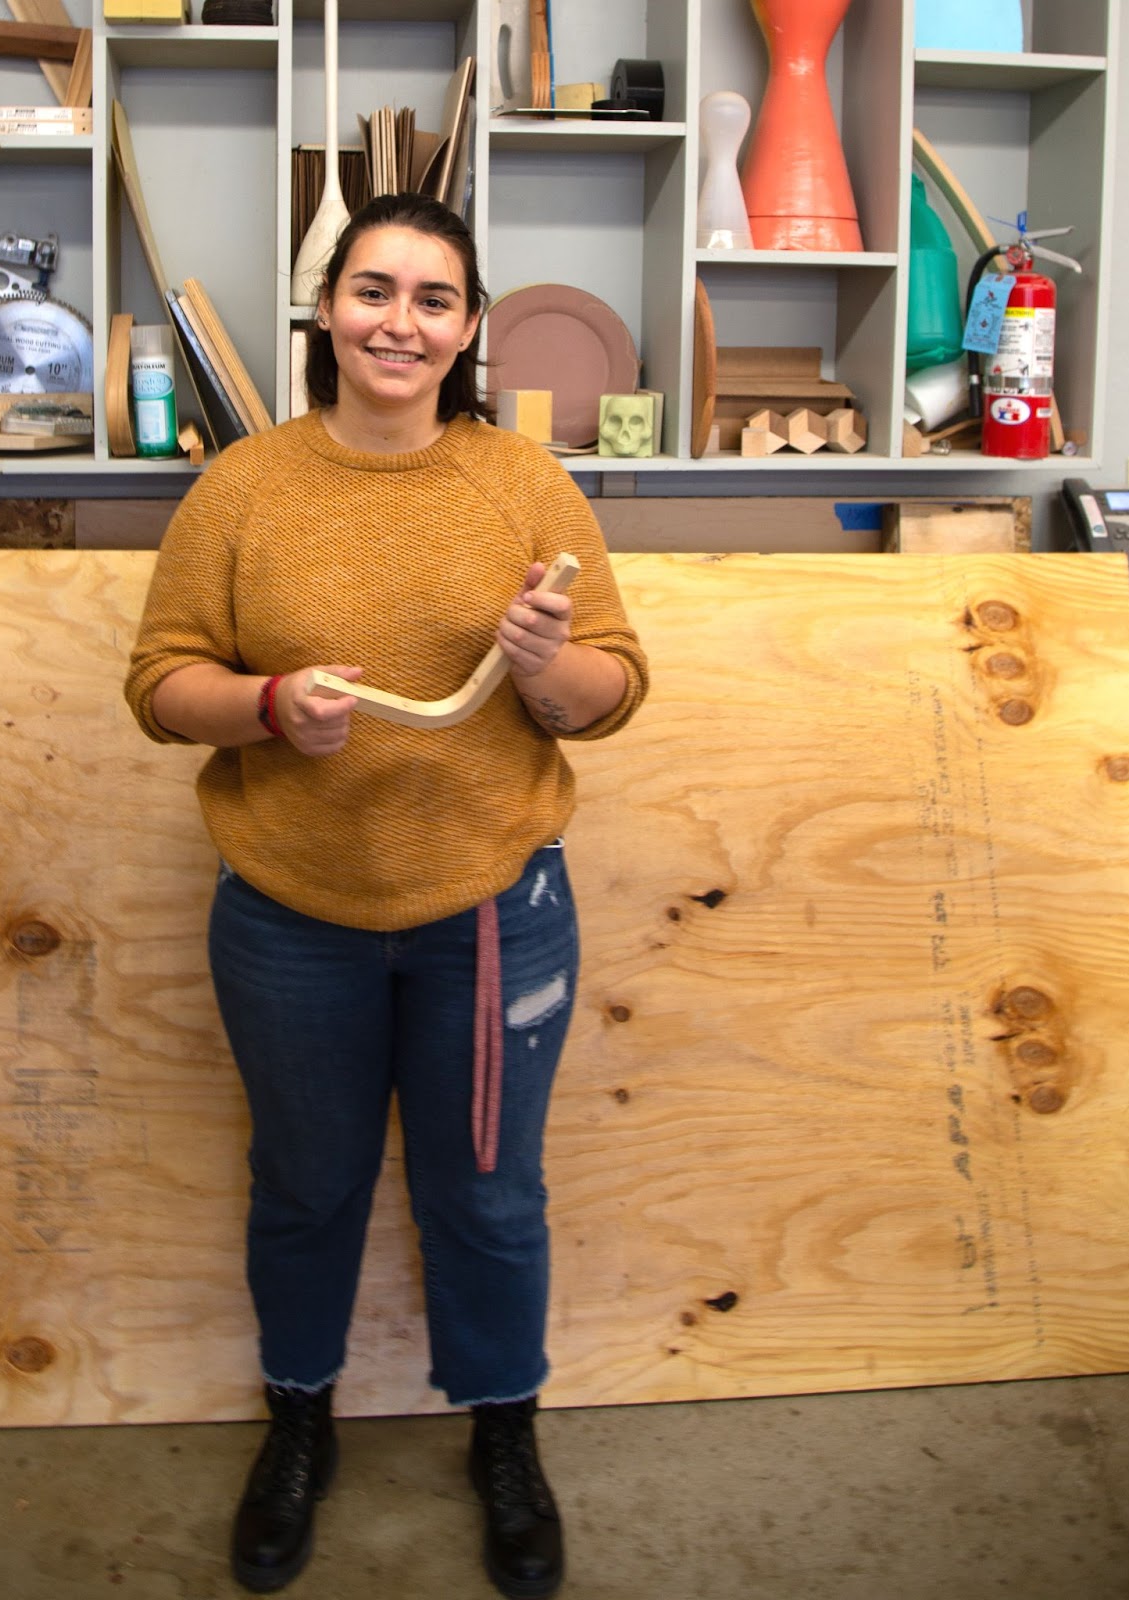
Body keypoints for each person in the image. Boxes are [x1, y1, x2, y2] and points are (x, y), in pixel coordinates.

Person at [124, 192, 648, 1598]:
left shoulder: (524, 486)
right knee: (305, 1186)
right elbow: (161, 681)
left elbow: (612, 688)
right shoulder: (242, 490)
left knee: (486, 1196)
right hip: (291, 918)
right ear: (327, 313)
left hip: (489, 912)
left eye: (431, 298)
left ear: (467, 328)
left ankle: (503, 1433)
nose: (398, 322)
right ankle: (300, 1417)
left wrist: (543, 667)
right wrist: (265, 706)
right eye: (373, 290)